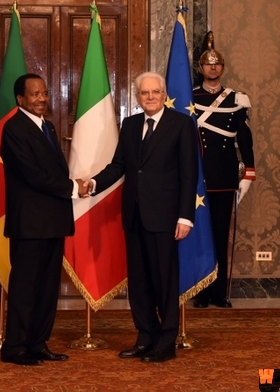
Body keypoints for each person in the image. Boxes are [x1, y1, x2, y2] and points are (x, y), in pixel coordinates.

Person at [83, 71, 198, 363]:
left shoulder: (181, 124)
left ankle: (166, 341)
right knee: (140, 282)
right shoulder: (131, 124)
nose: (150, 97)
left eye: (155, 92)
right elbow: (119, 165)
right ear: (137, 97)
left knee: (164, 281)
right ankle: (145, 336)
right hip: (134, 217)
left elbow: (189, 174)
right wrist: (94, 183)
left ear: (164, 94)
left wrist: (185, 217)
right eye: (145, 93)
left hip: (166, 217)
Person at [0, 73, 88, 366]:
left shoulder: (48, 127)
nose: (41, 99)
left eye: (44, 93)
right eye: (34, 94)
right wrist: (73, 188)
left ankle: (38, 343)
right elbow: (33, 175)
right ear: (20, 99)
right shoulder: (13, 129)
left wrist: (70, 185)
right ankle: (15, 347)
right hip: (29, 224)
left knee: (48, 288)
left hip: (52, 221)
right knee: (25, 288)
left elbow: (53, 171)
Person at [192, 31, 256, 309]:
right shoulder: (189, 97)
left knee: (219, 234)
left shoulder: (236, 99)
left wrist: (250, 170)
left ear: (223, 69)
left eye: (217, 64)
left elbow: (244, 137)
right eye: (208, 64)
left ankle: (219, 293)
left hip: (224, 176)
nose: (213, 68)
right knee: (197, 235)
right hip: (196, 177)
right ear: (200, 68)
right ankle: (200, 292)